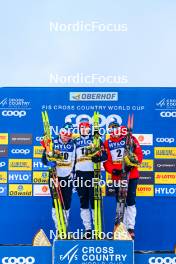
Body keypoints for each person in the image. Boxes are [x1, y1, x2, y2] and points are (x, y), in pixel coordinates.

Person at [103, 119, 143, 239]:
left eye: (116, 128)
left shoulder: (129, 139)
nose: (114, 131)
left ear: (119, 128)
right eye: (111, 129)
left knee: (130, 200)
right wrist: (113, 170)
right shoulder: (107, 143)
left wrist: (134, 163)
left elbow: (139, 154)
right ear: (109, 131)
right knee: (120, 201)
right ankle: (121, 227)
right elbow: (106, 161)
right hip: (118, 176)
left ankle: (130, 227)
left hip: (131, 175)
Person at [74, 117, 107, 238]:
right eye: (81, 128)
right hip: (80, 174)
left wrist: (99, 158)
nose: (84, 130)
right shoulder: (75, 141)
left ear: (89, 129)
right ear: (79, 129)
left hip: (93, 174)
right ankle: (88, 229)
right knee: (83, 201)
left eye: (86, 127)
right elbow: (71, 159)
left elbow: (105, 155)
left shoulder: (96, 139)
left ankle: (97, 227)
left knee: (95, 201)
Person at [41, 122, 75, 232]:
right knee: (56, 202)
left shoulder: (73, 144)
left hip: (67, 177)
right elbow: (44, 159)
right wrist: (49, 163)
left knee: (67, 202)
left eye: (69, 136)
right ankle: (58, 229)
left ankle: (64, 228)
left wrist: (72, 175)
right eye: (65, 135)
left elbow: (75, 161)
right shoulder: (52, 143)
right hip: (55, 176)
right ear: (61, 133)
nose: (66, 138)